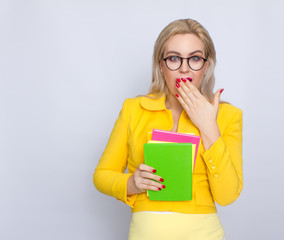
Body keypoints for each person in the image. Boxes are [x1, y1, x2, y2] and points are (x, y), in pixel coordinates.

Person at [93, 18, 243, 240]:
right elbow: (101, 176)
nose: (184, 68)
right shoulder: (133, 109)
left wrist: (208, 126)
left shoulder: (228, 116)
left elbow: (227, 195)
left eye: (194, 58)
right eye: (174, 58)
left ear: (206, 65)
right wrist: (130, 183)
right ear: (161, 66)